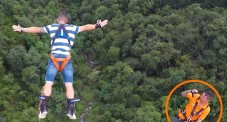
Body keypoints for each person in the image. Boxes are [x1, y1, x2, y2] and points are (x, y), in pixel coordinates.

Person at [12, 11, 108, 119]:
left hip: (54, 59)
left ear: (57, 20)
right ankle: (71, 110)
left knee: (48, 84)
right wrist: (97, 26)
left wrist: (22, 29)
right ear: (66, 21)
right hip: (66, 60)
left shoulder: (52, 27)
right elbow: (85, 27)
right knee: (69, 85)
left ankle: (43, 107)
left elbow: (37, 29)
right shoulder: (72, 28)